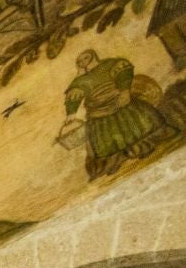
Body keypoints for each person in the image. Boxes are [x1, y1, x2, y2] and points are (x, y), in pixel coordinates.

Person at [62, 50, 177, 179]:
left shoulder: (109, 64)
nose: (83, 62)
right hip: (97, 111)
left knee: (137, 125)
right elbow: (74, 95)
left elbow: (124, 71)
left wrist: (124, 91)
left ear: (93, 56)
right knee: (105, 140)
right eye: (80, 61)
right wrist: (71, 113)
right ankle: (114, 163)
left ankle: (145, 148)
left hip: (119, 100)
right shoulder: (81, 80)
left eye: (85, 58)